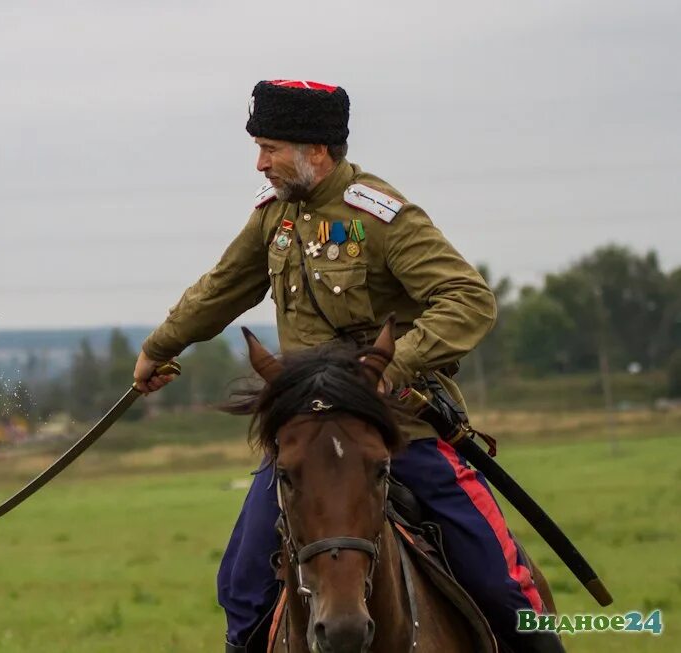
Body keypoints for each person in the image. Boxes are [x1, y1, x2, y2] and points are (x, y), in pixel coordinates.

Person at [133, 79, 563, 653]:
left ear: (317, 150)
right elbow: (222, 288)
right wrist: (160, 347)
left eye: (271, 148)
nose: (260, 164)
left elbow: (468, 298)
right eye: (259, 148)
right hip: (306, 437)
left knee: (502, 584)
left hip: (398, 430)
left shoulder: (382, 215)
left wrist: (392, 367)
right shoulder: (273, 217)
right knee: (240, 588)